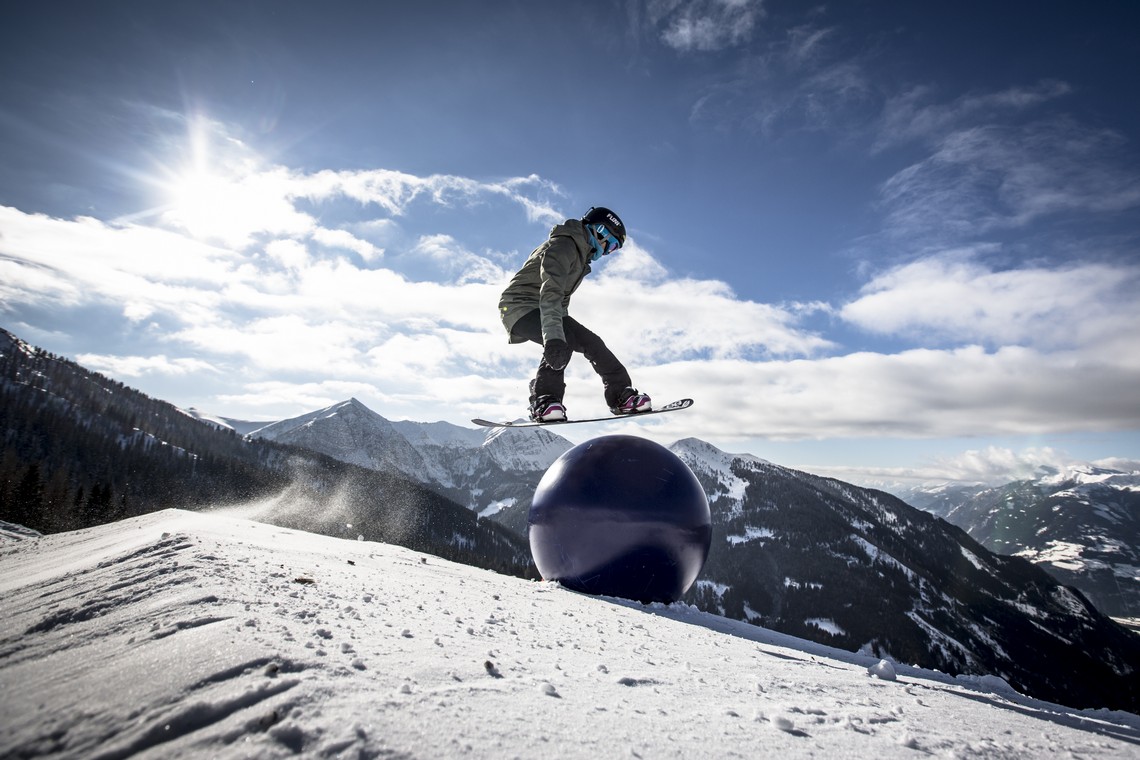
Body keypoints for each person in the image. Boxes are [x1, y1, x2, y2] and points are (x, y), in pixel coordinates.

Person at [498, 206, 652, 423]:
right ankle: (544, 400)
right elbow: (551, 290)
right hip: (520, 306)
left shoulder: (579, 254)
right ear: (600, 232)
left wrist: (559, 332)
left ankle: (621, 395)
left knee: (593, 343)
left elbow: (560, 301)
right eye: (613, 245)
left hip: (542, 307)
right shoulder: (564, 245)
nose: (609, 252)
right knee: (564, 339)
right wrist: (553, 337)